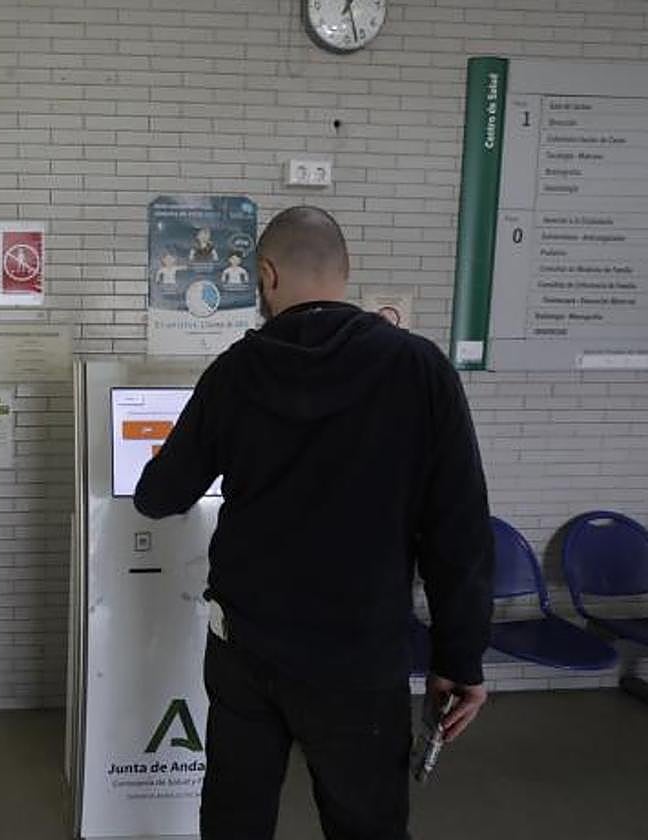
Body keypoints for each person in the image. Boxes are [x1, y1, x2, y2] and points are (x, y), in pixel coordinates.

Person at [134, 206, 493, 840]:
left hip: (247, 649)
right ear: (345, 274)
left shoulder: (234, 373)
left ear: (266, 274)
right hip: (360, 656)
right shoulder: (419, 369)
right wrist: (458, 659)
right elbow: (458, 529)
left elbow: (158, 496)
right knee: (365, 823)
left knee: (235, 818)